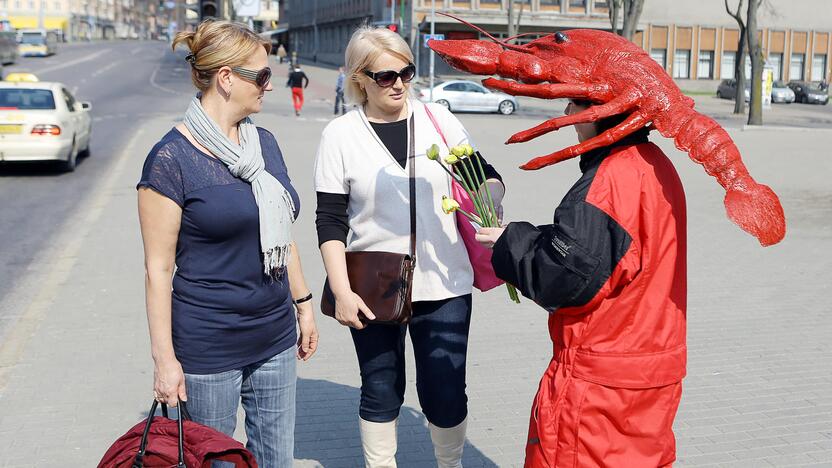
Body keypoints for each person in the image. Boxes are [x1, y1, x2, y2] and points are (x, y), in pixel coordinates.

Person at [314, 26, 506, 468]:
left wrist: (488, 201)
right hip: (371, 283)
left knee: (445, 387)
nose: (398, 83)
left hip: (445, 278)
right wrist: (341, 292)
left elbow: (484, 176)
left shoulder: (439, 120)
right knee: (381, 385)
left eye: (406, 71)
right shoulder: (340, 135)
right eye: (385, 76)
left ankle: (450, 462)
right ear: (359, 78)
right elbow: (330, 221)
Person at [137, 20, 318, 467]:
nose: (269, 85)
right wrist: (164, 361)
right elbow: (158, 270)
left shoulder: (266, 145)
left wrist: (304, 304)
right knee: (216, 461)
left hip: (274, 336)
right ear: (226, 78)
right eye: (260, 75)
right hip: (209, 347)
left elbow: (282, 231)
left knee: (278, 460)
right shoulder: (170, 159)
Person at [476, 99, 686, 467]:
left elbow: (565, 278)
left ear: (604, 111)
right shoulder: (655, 164)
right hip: (651, 368)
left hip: (600, 380)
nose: (570, 115)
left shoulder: (610, 181)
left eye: (576, 105)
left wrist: (510, 243)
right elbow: (604, 253)